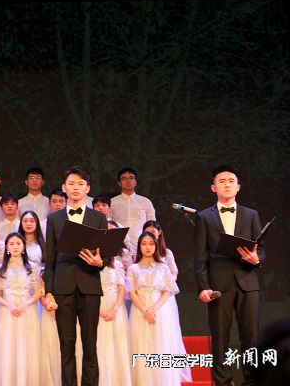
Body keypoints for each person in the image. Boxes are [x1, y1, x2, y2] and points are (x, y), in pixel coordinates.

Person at [194, 165, 265, 386]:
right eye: (222, 181)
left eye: (231, 181)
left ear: (238, 187)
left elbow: (261, 249)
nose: (227, 184)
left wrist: (256, 259)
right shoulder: (204, 217)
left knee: (251, 337)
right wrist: (203, 286)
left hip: (248, 282)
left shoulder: (251, 215)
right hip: (218, 285)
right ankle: (223, 382)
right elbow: (200, 256)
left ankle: (251, 381)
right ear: (213, 187)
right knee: (220, 338)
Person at [43, 166, 107, 386]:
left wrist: (100, 262)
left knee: (90, 345)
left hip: (89, 285)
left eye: (80, 184)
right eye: (71, 183)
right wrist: (48, 292)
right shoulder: (54, 219)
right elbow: (49, 259)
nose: (76, 188)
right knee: (66, 345)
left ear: (87, 188)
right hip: (63, 287)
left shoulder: (99, 217)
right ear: (64, 187)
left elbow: (104, 254)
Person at [128, 232, 188, 384]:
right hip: (140, 311)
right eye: (144, 244)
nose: (148, 247)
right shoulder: (133, 268)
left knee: (161, 345)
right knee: (142, 345)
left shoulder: (163, 267)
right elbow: (132, 292)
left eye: (151, 244)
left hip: (160, 310)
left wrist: (154, 309)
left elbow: (168, 290)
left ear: (156, 246)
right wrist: (145, 310)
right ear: (139, 247)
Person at [0, 232, 41, 385]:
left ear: (23, 246)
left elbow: (37, 292)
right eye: (11, 244)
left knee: (26, 344)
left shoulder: (32, 267)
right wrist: (10, 305)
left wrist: (24, 304)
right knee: (8, 344)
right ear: (7, 247)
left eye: (18, 243)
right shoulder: (0, 268)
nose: (15, 247)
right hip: (7, 310)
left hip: (27, 310)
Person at [96, 238, 132, 386]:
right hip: (97, 306)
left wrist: (115, 309)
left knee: (117, 344)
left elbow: (121, 288)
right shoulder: (91, 265)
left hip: (115, 307)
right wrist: (98, 309)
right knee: (99, 344)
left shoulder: (116, 264)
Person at [110, 167, 156, 253]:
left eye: (131, 178)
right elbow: (109, 223)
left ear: (135, 182)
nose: (128, 181)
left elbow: (152, 224)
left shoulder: (145, 201)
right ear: (119, 183)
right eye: (124, 178)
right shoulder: (112, 202)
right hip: (119, 244)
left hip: (141, 244)